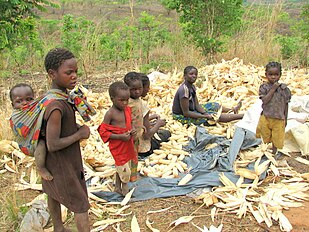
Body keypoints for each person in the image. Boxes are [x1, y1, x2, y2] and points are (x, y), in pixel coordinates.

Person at [42, 48, 91, 232]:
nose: (74, 76)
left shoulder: (60, 98)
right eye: (68, 72)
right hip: (62, 161)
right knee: (81, 204)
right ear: (52, 74)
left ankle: (58, 228)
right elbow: (52, 144)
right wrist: (79, 134)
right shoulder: (56, 105)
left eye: (76, 71)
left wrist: (74, 128)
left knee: (53, 193)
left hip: (55, 162)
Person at [97, 81, 137, 195]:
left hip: (127, 143)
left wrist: (133, 129)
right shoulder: (110, 114)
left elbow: (131, 122)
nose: (125, 103)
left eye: (127, 99)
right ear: (112, 99)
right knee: (124, 168)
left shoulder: (127, 109)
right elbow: (103, 131)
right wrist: (119, 136)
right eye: (121, 100)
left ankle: (117, 188)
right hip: (118, 146)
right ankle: (125, 191)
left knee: (122, 166)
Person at [172, 66, 244, 126]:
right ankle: (242, 116)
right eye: (191, 74)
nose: (194, 76)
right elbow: (186, 113)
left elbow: (197, 104)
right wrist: (205, 116)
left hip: (192, 110)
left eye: (195, 74)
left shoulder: (192, 87)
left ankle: (233, 110)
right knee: (214, 116)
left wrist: (204, 112)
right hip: (182, 116)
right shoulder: (184, 90)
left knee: (214, 105)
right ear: (185, 76)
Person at [9, 83, 53, 180]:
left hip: (39, 136)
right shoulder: (17, 116)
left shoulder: (34, 108)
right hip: (27, 144)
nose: (25, 103)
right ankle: (40, 168)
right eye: (19, 101)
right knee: (41, 145)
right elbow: (21, 131)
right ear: (13, 105)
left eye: (29, 99)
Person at [256, 61, 291, 154]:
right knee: (265, 135)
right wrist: (273, 89)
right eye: (270, 74)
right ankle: (264, 151)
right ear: (266, 74)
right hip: (266, 116)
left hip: (279, 118)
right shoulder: (264, 87)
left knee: (277, 138)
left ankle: (274, 152)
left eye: (276, 74)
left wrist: (285, 118)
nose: (273, 77)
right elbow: (265, 100)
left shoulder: (284, 89)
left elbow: (286, 104)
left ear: (280, 75)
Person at [139, 73, 171, 157]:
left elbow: (136, 121)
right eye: (147, 87)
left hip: (128, 146)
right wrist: (158, 124)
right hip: (142, 149)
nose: (149, 89)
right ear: (140, 88)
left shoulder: (126, 103)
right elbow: (147, 136)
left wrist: (149, 119)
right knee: (166, 133)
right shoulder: (142, 105)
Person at [123, 72, 144, 182]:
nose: (137, 92)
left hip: (137, 134)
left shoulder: (138, 100)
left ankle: (133, 175)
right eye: (133, 89)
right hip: (129, 134)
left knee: (135, 155)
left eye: (139, 88)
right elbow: (125, 118)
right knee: (129, 155)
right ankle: (128, 175)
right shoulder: (126, 103)